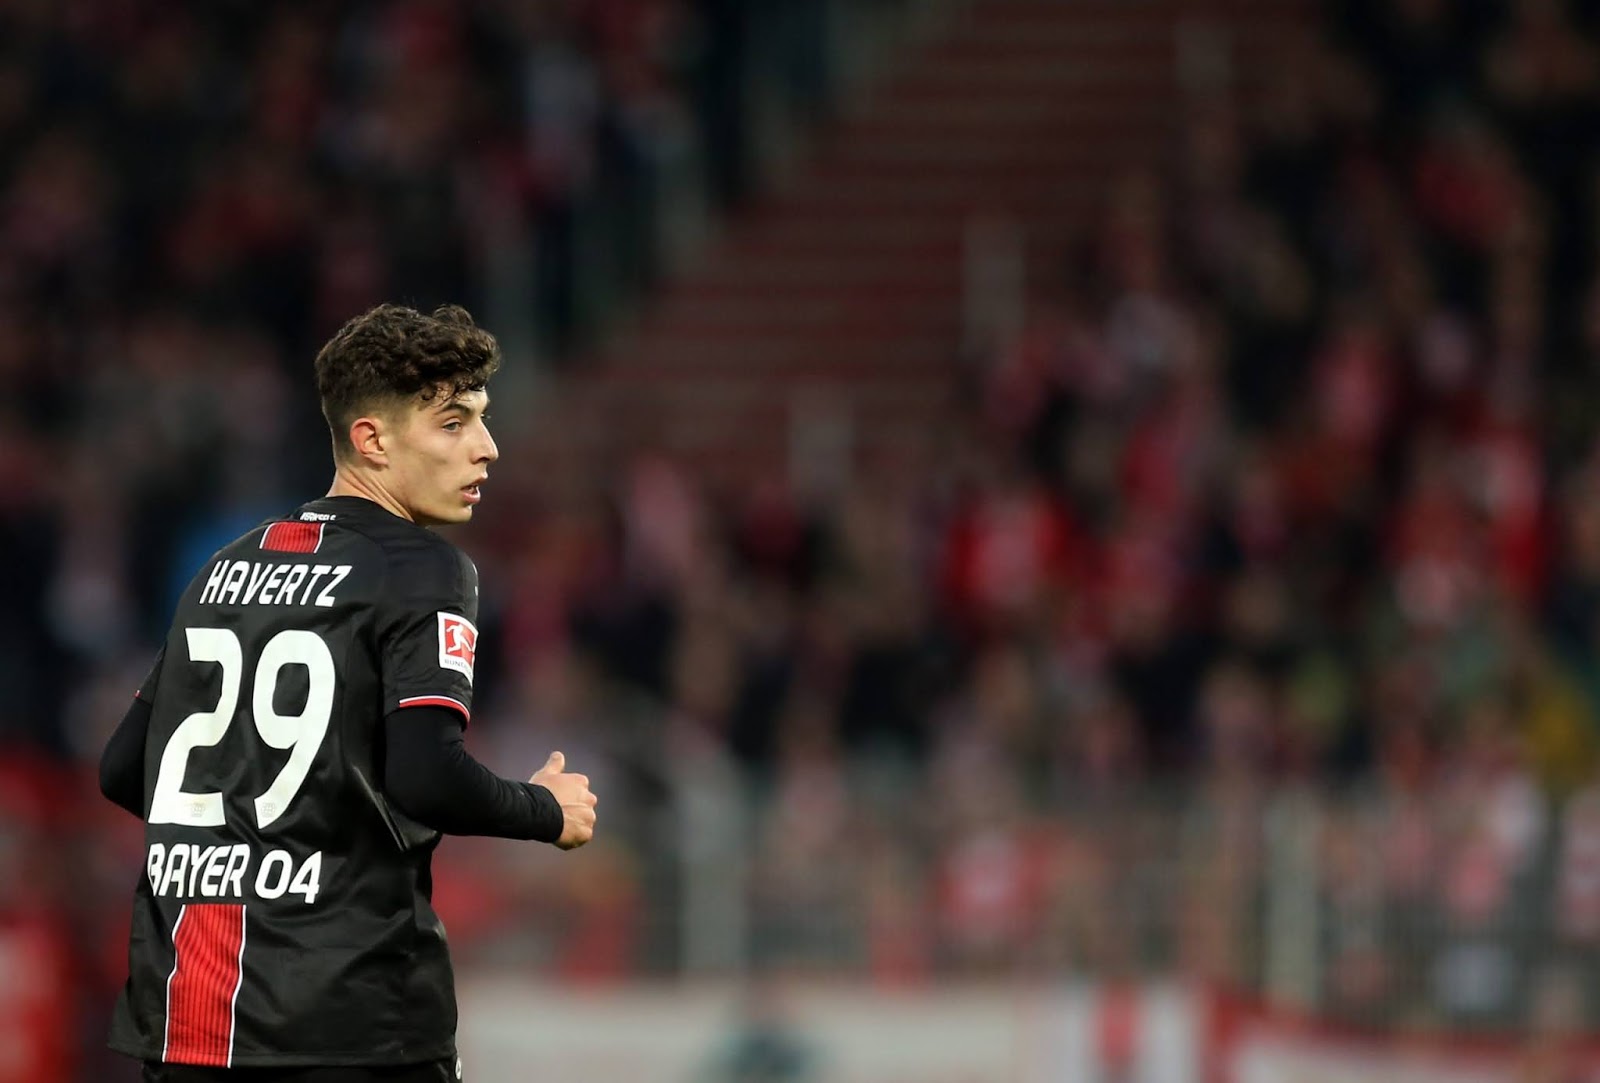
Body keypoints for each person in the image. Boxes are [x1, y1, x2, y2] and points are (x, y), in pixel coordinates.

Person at [98, 303, 598, 1083]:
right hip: (349, 1021)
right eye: (453, 422)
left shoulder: (222, 569)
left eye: (482, 419)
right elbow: (426, 776)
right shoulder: (423, 568)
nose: (486, 446)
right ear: (372, 439)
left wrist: (254, 847)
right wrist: (545, 809)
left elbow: (125, 768)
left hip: (190, 1021)